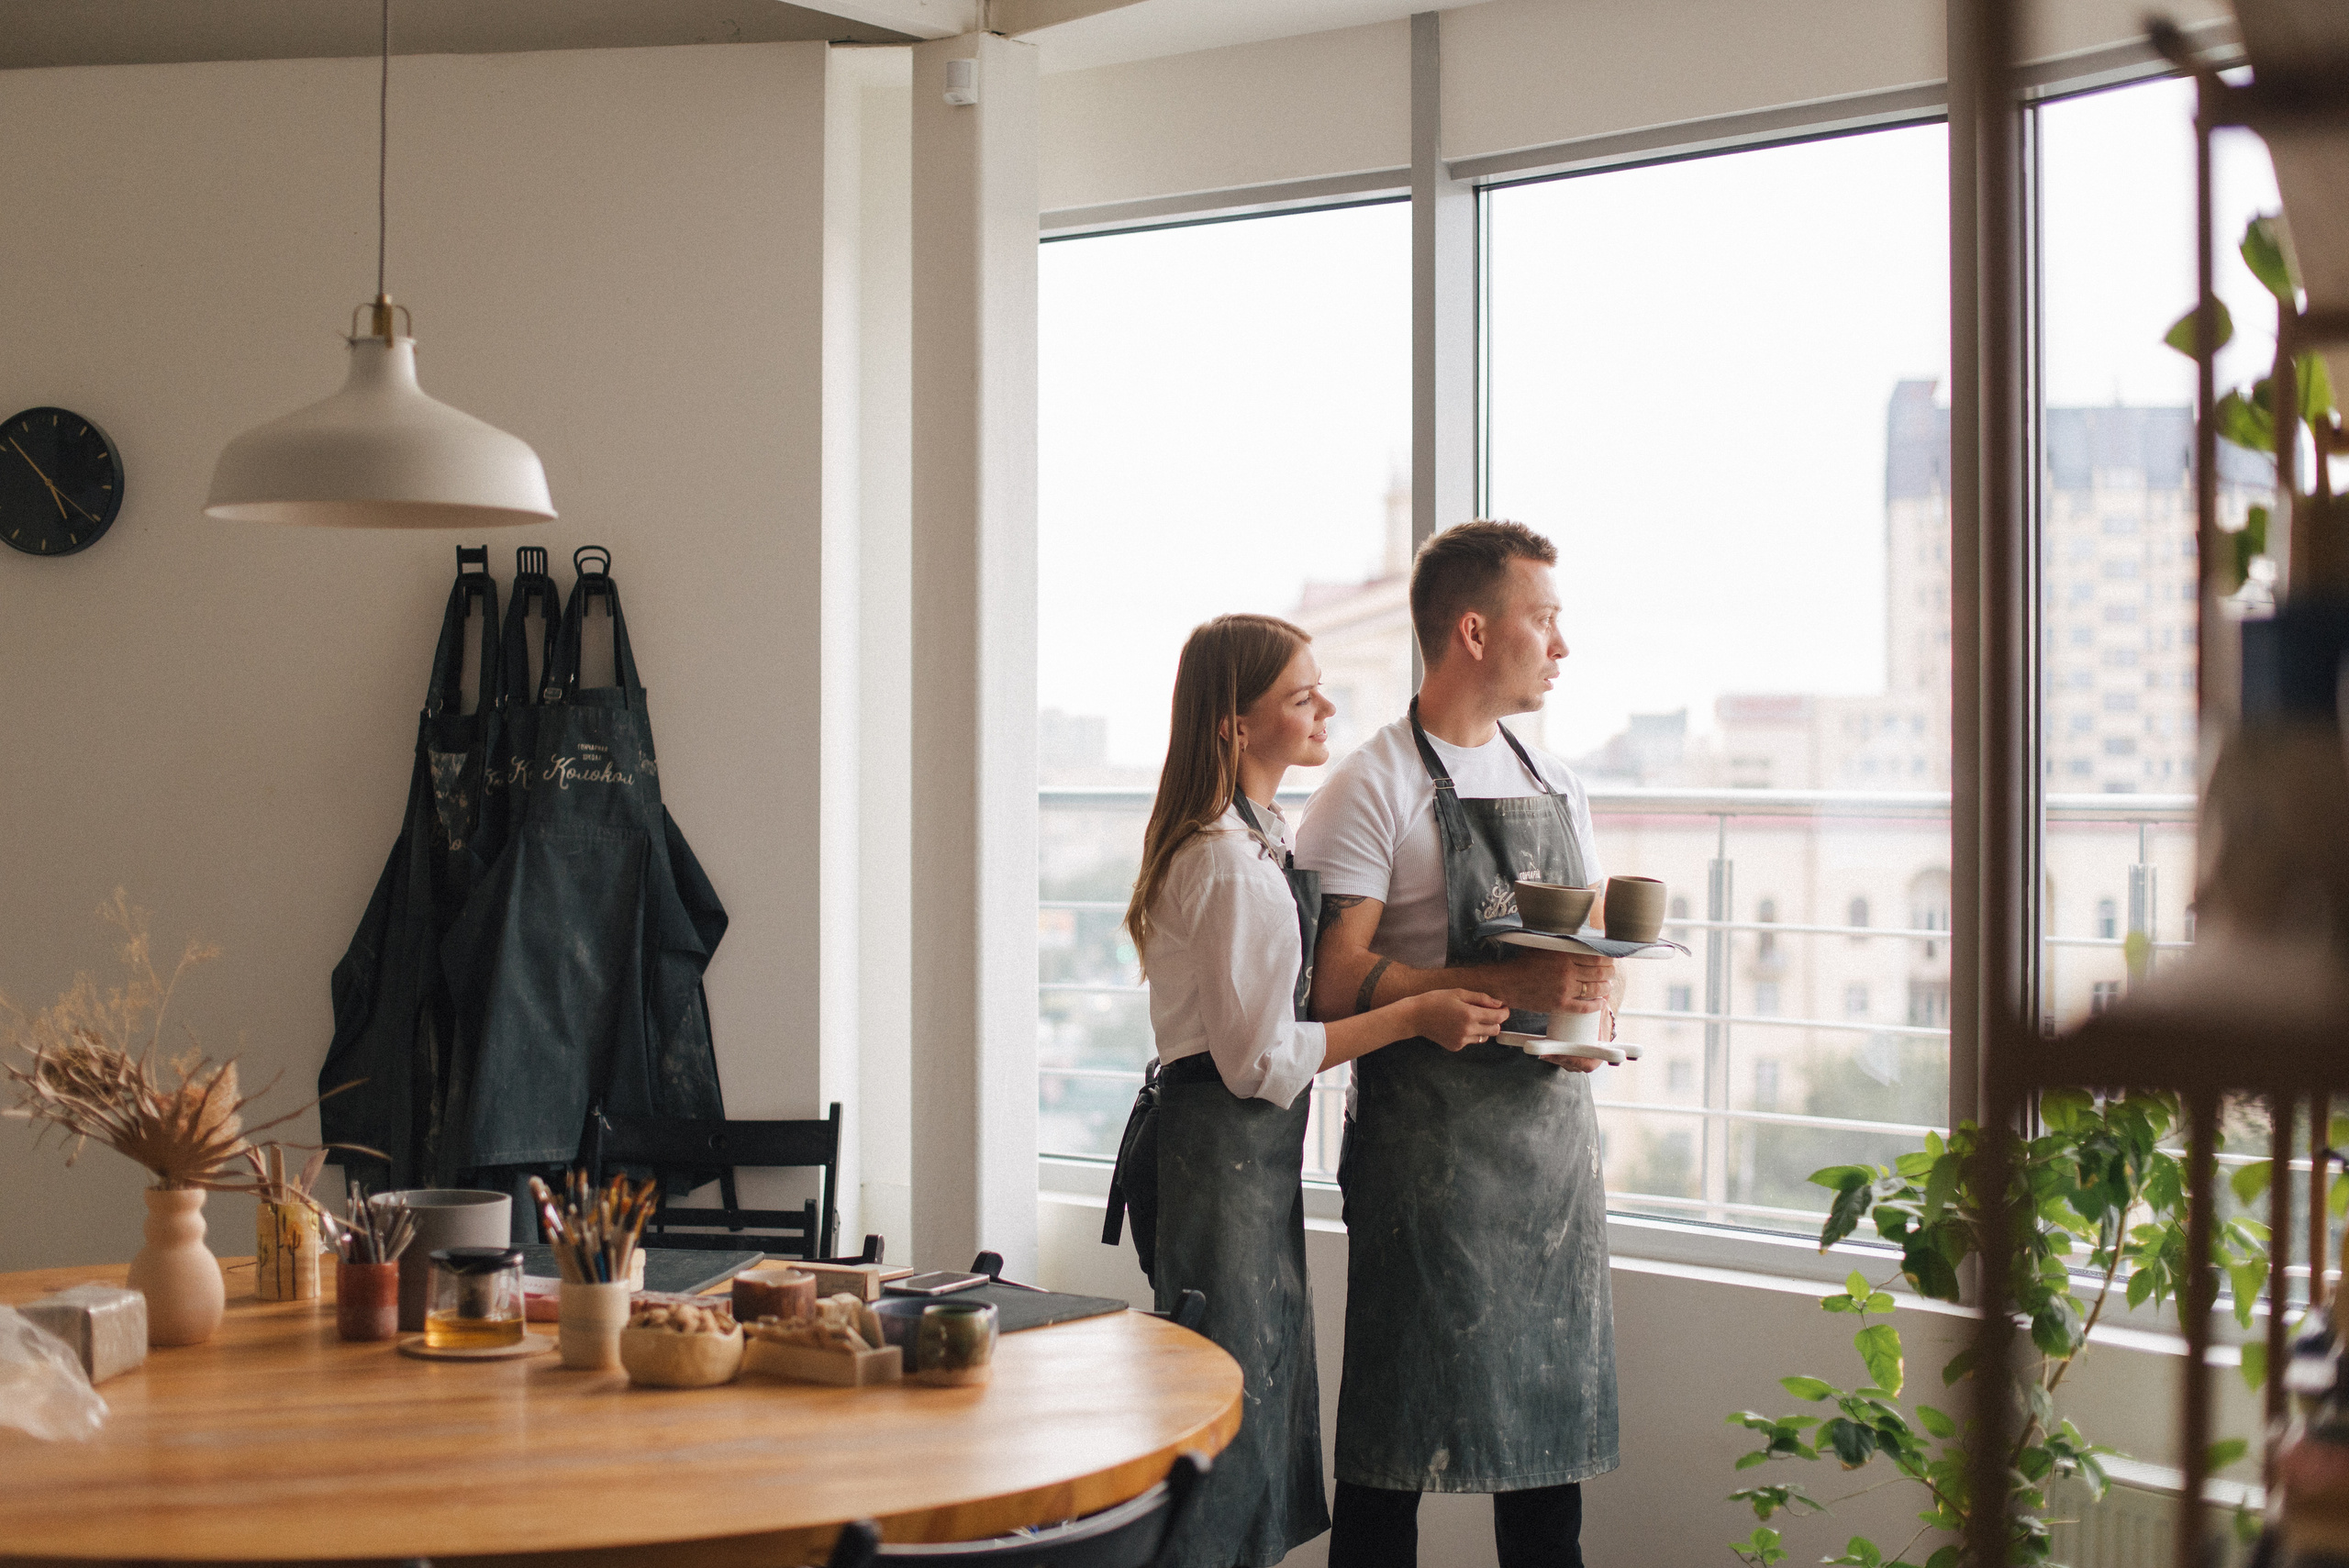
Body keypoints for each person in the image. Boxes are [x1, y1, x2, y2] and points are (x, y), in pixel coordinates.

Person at [1117, 613, 1511, 1568]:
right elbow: (1261, 1060)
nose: (1326, 706)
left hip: (1239, 1167)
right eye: (1300, 695)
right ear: (1233, 725)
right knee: (1228, 1422)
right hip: (1216, 1160)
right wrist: (1413, 1016)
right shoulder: (1224, 862)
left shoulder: (1263, 837)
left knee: (1254, 1403)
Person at [1293, 522, 1622, 1568]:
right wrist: (1506, 984)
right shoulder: (1370, 784)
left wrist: (1583, 1019)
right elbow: (1332, 980)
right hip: (1427, 1164)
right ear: (1475, 630)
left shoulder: (1556, 777)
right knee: (1391, 1460)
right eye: (1545, 619)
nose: (1561, 645)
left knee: (1544, 1470)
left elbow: (1576, 959)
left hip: (1551, 1163)